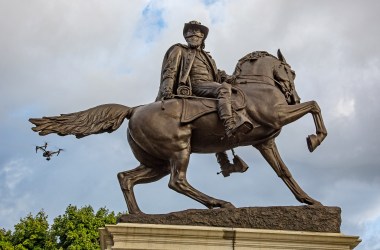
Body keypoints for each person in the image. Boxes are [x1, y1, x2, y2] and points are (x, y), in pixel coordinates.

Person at [156, 20, 251, 176]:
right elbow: (170, 69)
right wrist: (167, 88)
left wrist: (231, 78)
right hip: (195, 86)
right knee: (223, 90)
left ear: (203, 37)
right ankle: (230, 125)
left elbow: (217, 75)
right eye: (190, 31)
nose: (194, 34)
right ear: (186, 36)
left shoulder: (207, 57)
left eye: (198, 32)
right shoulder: (179, 49)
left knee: (220, 108)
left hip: (209, 85)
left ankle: (224, 163)